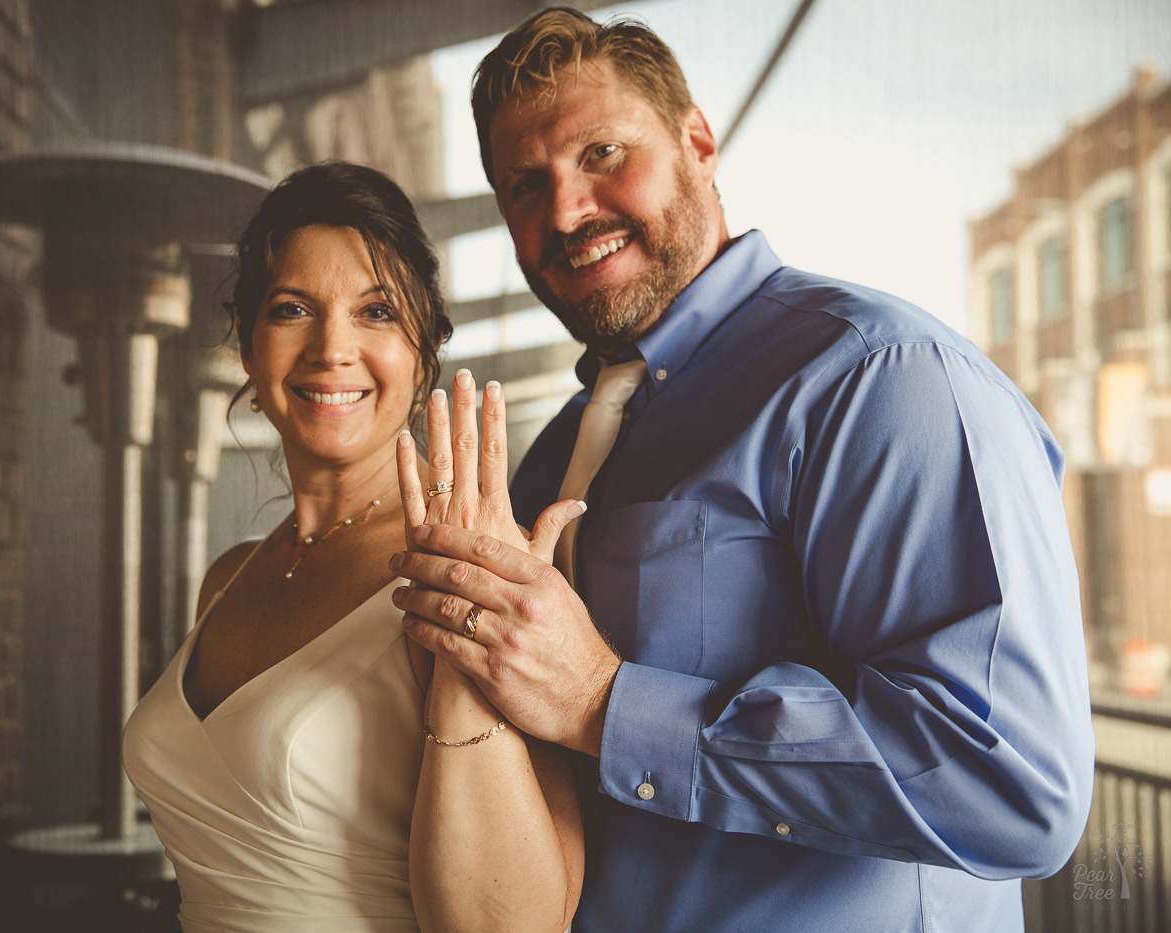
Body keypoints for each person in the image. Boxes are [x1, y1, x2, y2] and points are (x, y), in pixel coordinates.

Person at [389, 8, 1094, 932]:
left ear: (698, 141)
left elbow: (1011, 781)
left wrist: (605, 702)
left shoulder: (880, 377)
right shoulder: (551, 454)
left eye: (601, 154)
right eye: (525, 185)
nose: (564, 211)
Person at [122, 161, 582, 933]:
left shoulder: (479, 562)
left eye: (376, 312)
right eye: (293, 307)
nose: (332, 347)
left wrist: (462, 665)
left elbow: (517, 926)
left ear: (423, 350)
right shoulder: (228, 578)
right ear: (245, 340)